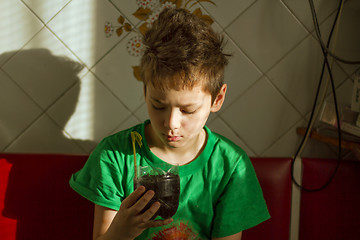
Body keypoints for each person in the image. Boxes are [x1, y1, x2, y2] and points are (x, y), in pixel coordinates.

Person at [69, 7, 270, 240]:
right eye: (158, 105)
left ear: (218, 99)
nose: (171, 123)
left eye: (188, 110)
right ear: (145, 91)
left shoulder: (230, 166)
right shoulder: (115, 156)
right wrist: (121, 231)